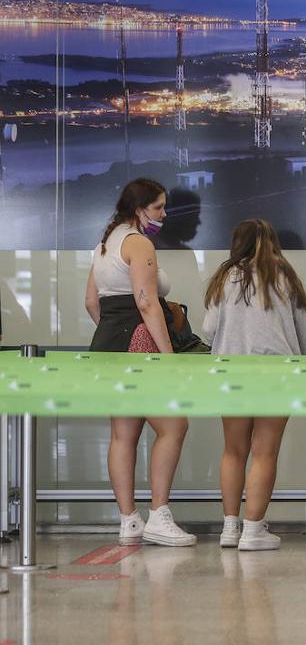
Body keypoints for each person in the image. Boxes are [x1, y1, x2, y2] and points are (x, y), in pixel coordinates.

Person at [84, 178, 196, 547]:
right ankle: (159, 515)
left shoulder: (104, 244)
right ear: (139, 209)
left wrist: (115, 333)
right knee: (174, 426)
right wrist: (167, 357)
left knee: (123, 434)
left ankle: (128, 520)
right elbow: (147, 302)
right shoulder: (138, 242)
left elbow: (92, 303)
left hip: (109, 343)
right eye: (159, 207)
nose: (164, 214)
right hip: (139, 339)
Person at [202, 218, 306, 551]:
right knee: (264, 453)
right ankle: (254, 531)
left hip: (231, 372)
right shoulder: (285, 278)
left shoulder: (224, 277)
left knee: (233, 451)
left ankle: (229, 528)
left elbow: (209, 329)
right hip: (276, 374)